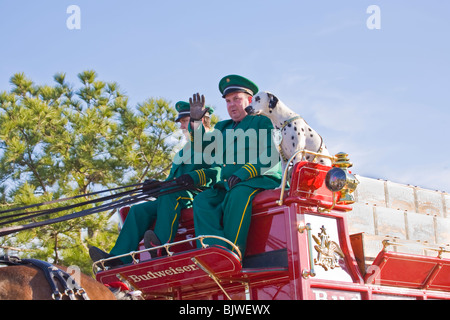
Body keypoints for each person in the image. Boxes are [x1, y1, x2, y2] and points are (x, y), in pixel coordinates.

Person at [89, 101, 217, 266]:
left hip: (199, 195)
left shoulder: (213, 141)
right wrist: (157, 187)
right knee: (137, 210)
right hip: (173, 195)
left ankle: (161, 247)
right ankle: (118, 258)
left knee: (170, 196)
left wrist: (193, 178)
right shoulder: (183, 151)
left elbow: (217, 172)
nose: (182, 127)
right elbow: (172, 180)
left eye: (185, 121)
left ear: (200, 120)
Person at [189, 75, 282, 255]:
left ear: (249, 100)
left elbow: (272, 154)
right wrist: (196, 123)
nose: (232, 105)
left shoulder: (262, 121)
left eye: (237, 99)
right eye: (228, 101)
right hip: (229, 183)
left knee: (238, 194)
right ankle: (214, 251)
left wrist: (243, 173)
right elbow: (203, 147)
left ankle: (233, 252)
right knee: (203, 200)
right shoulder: (223, 127)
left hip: (258, 180)